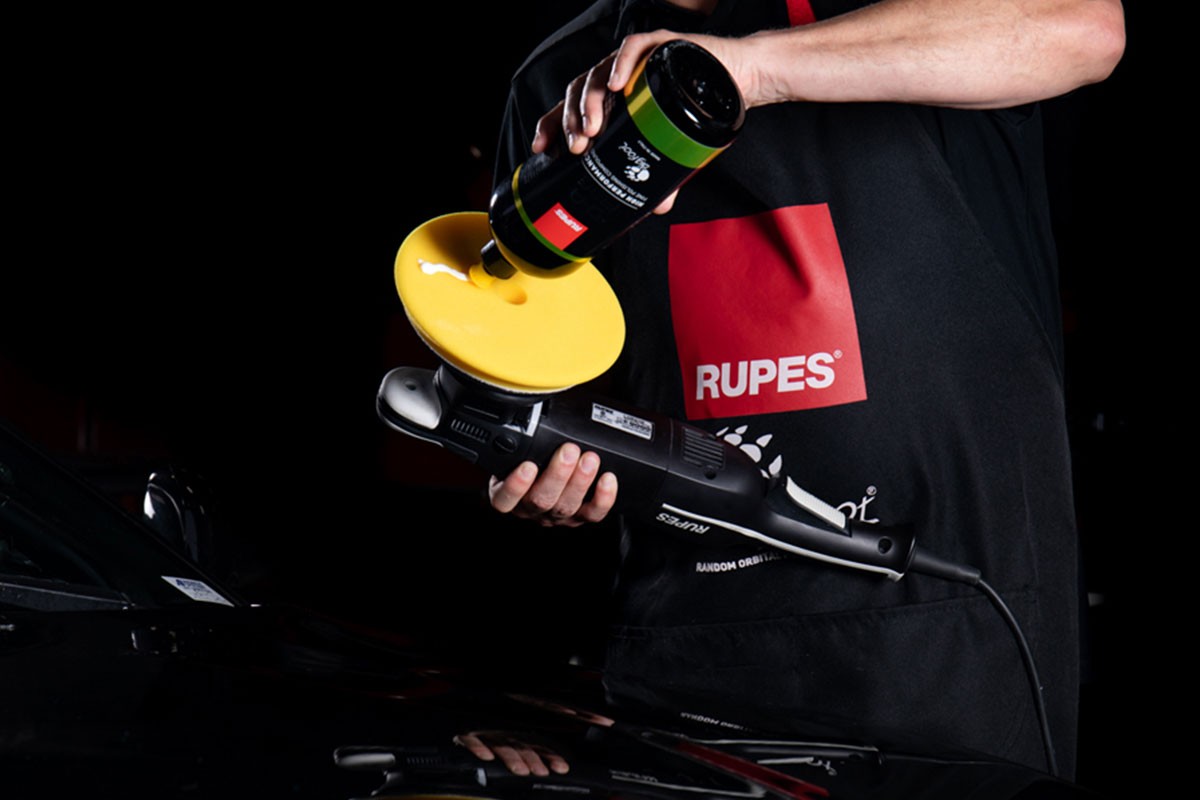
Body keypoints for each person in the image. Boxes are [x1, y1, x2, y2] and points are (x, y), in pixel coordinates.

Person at [485, 0, 1125, 778]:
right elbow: (548, 383)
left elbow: (1084, 28)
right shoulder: (559, 80)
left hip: (956, 641)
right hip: (686, 659)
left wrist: (750, 70)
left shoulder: (912, 13)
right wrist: (550, 481)